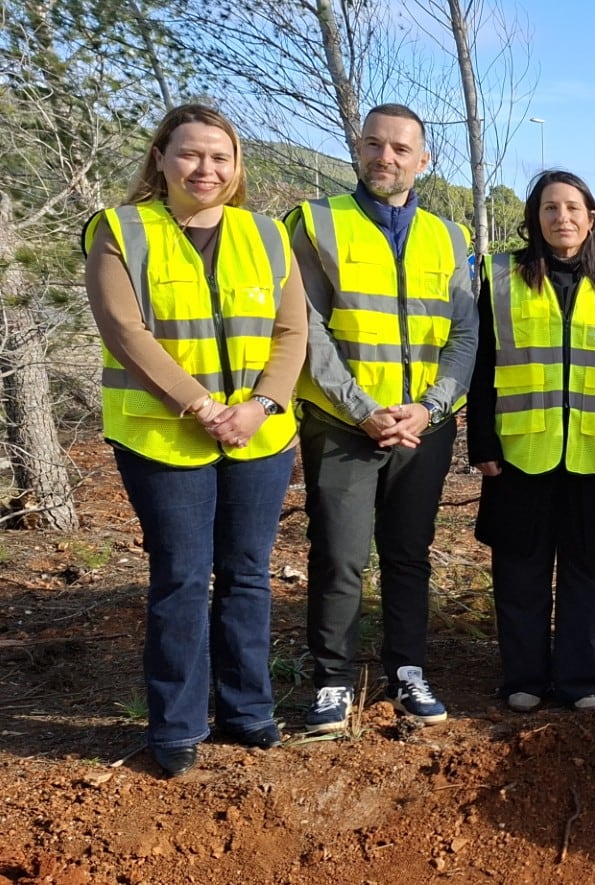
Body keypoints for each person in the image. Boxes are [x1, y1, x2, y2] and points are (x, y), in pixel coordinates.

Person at [82, 103, 309, 776]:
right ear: (160, 157)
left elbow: (292, 332)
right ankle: (177, 725)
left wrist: (262, 405)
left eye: (219, 156)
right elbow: (125, 331)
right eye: (190, 153)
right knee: (181, 577)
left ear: (237, 167)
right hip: (163, 438)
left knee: (246, 574)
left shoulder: (266, 234)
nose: (204, 167)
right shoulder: (122, 230)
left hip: (258, 435)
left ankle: (247, 711)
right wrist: (203, 406)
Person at [291, 103, 478, 732]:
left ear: (423, 159)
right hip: (342, 425)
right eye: (375, 145)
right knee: (340, 556)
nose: (386, 158)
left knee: (408, 554)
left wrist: (429, 409)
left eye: (401, 149)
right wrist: (364, 410)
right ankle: (333, 681)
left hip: (422, 428)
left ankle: (407, 671)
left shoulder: (451, 237)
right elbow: (304, 330)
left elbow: (465, 335)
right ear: (358, 149)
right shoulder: (316, 223)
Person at [470, 170, 595, 712]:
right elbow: (483, 365)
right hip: (521, 451)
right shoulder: (500, 278)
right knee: (520, 568)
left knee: (588, 572)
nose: (562, 218)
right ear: (535, 219)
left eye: (572, 208)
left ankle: (579, 680)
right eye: (550, 208)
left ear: (591, 219)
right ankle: (523, 678)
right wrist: (481, 443)